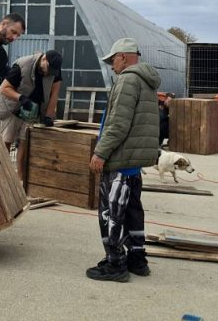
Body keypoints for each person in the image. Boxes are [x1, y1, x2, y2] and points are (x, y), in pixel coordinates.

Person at [86, 38, 160, 282]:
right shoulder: (146, 80)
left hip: (120, 160)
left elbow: (118, 124)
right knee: (132, 212)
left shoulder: (128, 79)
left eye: (113, 60)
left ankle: (115, 264)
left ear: (124, 57)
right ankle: (137, 259)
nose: (111, 66)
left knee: (112, 213)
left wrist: (100, 152)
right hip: (134, 162)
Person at [0, 50, 63, 181]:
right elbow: (5, 89)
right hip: (12, 107)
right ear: (44, 60)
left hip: (33, 111)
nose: (49, 73)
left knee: (25, 144)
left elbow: (55, 93)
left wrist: (48, 115)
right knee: (6, 142)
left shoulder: (55, 70)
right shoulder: (23, 65)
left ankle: (21, 180)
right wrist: (21, 98)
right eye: (48, 69)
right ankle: (3, 177)